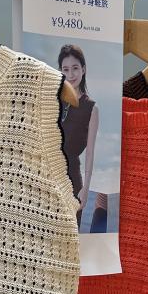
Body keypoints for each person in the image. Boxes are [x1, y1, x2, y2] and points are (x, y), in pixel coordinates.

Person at [58, 44, 99, 227]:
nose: (71, 74)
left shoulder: (91, 108)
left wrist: (86, 188)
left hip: (73, 181)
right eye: (65, 69)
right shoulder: (52, 102)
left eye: (75, 68)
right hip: (48, 178)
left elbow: (90, 152)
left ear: (83, 69)